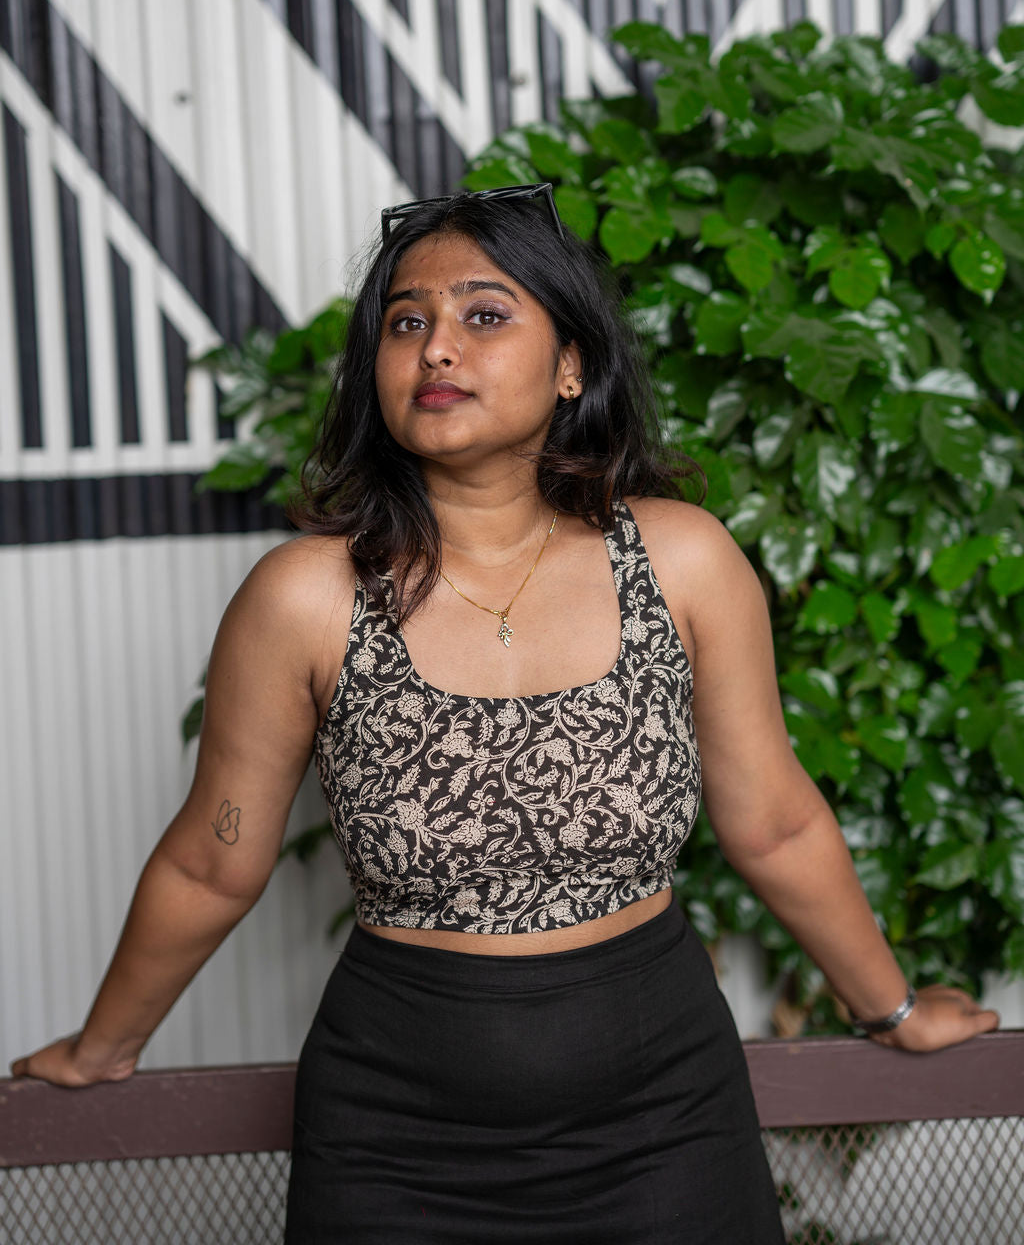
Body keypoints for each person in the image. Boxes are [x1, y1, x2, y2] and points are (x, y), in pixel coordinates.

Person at [12, 184, 998, 1243]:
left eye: (484, 314)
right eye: (406, 323)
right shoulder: (305, 597)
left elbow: (776, 822)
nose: (437, 347)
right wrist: (104, 1047)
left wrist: (891, 1009)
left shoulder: (682, 559)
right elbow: (213, 862)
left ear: (570, 364)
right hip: (393, 1145)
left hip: (667, 1125)